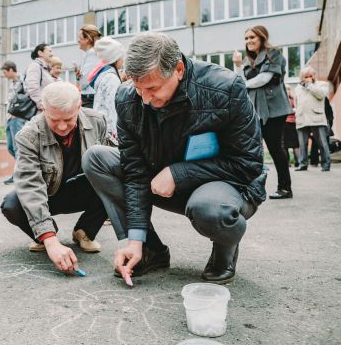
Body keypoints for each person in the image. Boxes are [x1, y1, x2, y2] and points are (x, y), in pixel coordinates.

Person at [83, 32, 266, 285]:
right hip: (159, 183)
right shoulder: (127, 98)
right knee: (97, 158)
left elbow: (248, 166)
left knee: (210, 209)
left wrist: (179, 173)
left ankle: (225, 249)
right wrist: (135, 240)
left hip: (224, 188)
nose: (145, 99)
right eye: (138, 89)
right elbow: (135, 172)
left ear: (178, 69)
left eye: (153, 88)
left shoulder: (225, 88)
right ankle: (150, 250)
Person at [0, 82, 109, 274]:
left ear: (79, 107)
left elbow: (111, 166)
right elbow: (30, 186)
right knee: (11, 204)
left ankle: (84, 231)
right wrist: (50, 239)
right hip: (47, 194)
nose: (62, 127)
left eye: (68, 119)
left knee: (112, 179)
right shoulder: (28, 135)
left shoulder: (98, 121)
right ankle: (46, 237)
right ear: (43, 109)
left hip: (82, 189)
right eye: (54, 119)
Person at [233, 25, 293, 199]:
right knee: (251, 149)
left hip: (275, 110)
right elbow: (240, 79)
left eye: (252, 37)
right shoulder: (247, 60)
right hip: (256, 110)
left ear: (262, 38)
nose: (248, 41)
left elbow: (264, 79)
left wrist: (243, 84)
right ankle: (252, 188)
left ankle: (285, 188)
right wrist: (237, 65)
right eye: (246, 38)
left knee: (275, 148)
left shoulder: (273, 54)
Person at [87, 37, 125, 145]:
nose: (123, 60)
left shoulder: (104, 76)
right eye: (121, 57)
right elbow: (113, 105)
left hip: (101, 127)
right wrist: (116, 132)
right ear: (114, 58)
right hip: (110, 131)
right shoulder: (112, 79)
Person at [294, 66, 332, 172]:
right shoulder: (297, 88)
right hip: (302, 118)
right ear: (301, 77)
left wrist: (310, 85)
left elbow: (321, 95)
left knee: (322, 143)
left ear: (314, 75)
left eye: (311, 76)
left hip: (317, 117)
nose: (308, 78)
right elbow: (297, 104)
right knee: (302, 144)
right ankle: (303, 164)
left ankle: (326, 164)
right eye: (306, 76)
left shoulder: (322, 85)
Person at [1, 61, 27, 185]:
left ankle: (18, 174)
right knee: (11, 147)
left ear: (11, 70)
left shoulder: (23, 81)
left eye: (5, 72)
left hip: (19, 117)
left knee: (17, 147)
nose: (4, 75)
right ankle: (21, 171)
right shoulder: (11, 83)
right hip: (10, 118)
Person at [75, 24, 103, 108]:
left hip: (89, 97)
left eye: (79, 38)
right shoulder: (90, 53)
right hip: (90, 96)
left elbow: (85, 82)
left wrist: (78, 77)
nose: (77, 41)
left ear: (87, 39)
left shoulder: (92, 54)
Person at [25, 43, 55, 112]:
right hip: (40, 111)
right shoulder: (35, 66)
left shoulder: (44, 69)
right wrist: (41, 105)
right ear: (40, 53)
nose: (52, 54)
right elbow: (32, 88)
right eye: (49, 51)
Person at [284, 85, 300, 167]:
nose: (287, 91)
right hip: (283, 124)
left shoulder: (293, 99)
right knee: (285, 145)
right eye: (285, 89)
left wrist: (293, 110)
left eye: (288, 89)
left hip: (293, 124)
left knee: (296, 144)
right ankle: (287, 163)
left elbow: (298, 109)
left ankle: (298, 162)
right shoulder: (281, 100)